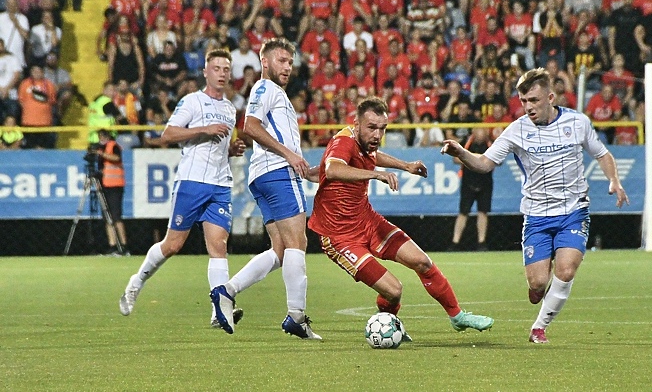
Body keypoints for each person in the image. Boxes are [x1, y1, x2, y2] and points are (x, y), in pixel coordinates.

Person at [440, 68, 629, 344]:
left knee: (565, 270)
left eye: (534, 101)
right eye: (524, 101)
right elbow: (484, 163)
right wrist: (461, 152)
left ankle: (538, 328)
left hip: (573, 212)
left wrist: (614, 180)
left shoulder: (578, 123)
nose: (528, 107)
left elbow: (602, 154)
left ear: (550, 97)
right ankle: (539, 285)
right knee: (538, 283)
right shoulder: (516, 130)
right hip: (536, 216)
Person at [308, 97, 494, 337]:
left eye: (382, 128)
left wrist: (405, 166)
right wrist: (376, 176)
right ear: (356, 124)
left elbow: (374, 156)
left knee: (422, 262)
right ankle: (388, 323)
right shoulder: (343, 140)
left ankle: (457, 316)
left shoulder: (365, 144)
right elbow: (333, 169)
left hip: (367, 221)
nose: (377, 134)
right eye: (371, 127)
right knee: (394, 291)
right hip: (339, 237)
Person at [119, 49, 247, 330]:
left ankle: (219, 310)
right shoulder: (192, 101)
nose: (222, 73)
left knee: (218, 247)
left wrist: (232, 149)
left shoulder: (229, 109)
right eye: (217, 68)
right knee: (173, 245)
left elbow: (219, 146)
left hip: (220, 184)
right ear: (205, 72)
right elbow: (168, 134)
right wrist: (203, 130)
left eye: (226, 69)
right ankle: (136, 281)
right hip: (191, 182)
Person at [210, 39, 321, 339]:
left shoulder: (273, 92)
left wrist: (300, 164)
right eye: (282, 61)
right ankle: (296, 316)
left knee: (281, 250)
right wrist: (289, 156)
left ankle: (227, 291)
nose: (288, 67)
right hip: (277, 172)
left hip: (265, 173)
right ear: (265, 61)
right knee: (298, 242)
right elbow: (251, 126)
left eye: (290, 62)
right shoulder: (265, 88)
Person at [449, 126, 493, 251]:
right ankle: (455, 242)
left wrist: (470, 158)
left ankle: (481, 242)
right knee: (463, 212)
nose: (479, 140)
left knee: (483, 212)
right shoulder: (465, 143)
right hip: (468, 182)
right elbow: (455, 158)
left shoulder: (491, 144)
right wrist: (479, 159)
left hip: (485, 182)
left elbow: (498, 160)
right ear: (473, 135)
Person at [96, 129, 129, 256]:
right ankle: (112, 246)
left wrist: (102, 154)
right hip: (105, 185)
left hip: (115, 186)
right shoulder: (102, 149)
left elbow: (116, 158)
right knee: (108, 218)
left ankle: (124, 246)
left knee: (116, 217)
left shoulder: (113, 146)